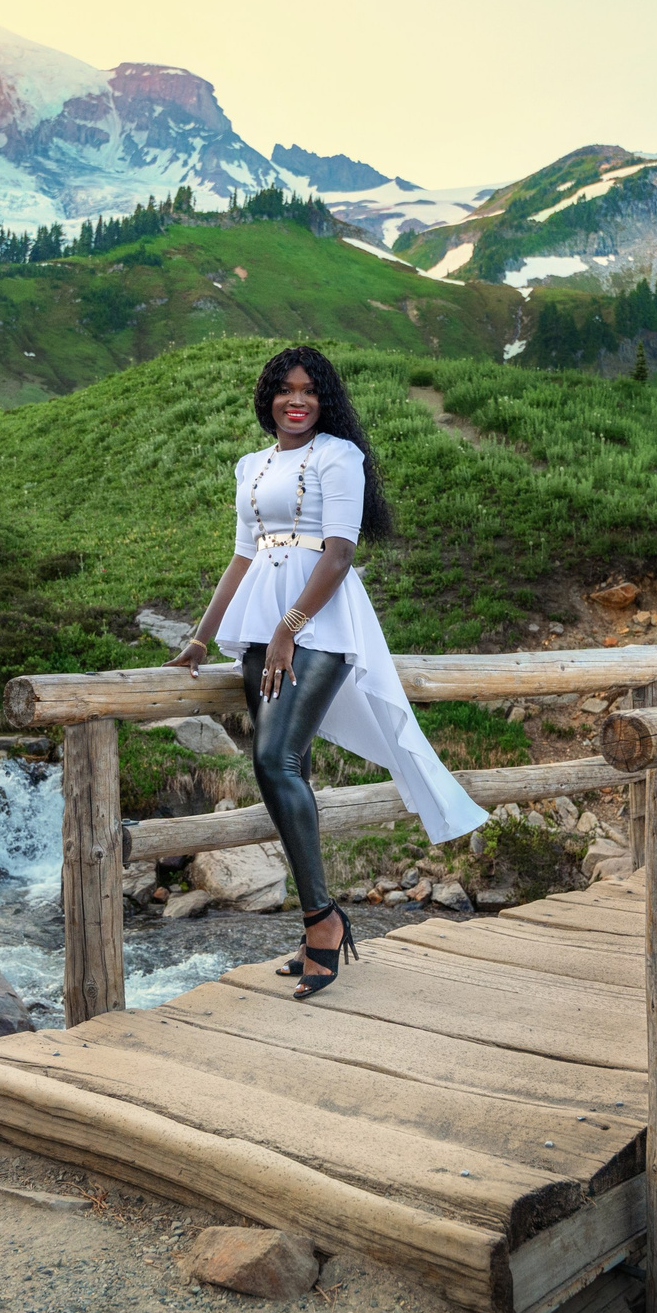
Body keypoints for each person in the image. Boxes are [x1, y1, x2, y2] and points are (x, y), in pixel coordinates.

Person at [168, 346, 488, 998]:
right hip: (260, 625)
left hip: (319, 624)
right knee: (297, 768)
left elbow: (340, 552)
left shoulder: (341, 457)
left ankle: (321, 919)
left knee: (273, 760)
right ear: (269, 397)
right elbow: (240, 558)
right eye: (285, 389)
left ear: (324, 399)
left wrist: (289, 629)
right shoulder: (251, 466)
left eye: (309, 391)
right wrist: (202, 637)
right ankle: (320, 918)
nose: (297, 400)